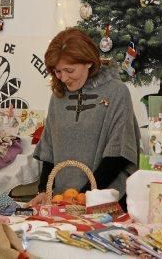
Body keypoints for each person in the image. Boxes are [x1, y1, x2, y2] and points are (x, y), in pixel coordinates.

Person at [28, 27, 140, 210]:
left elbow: (119, 154)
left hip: (104, 202)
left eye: (69, 70)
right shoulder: (58, 96)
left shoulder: (117, 92)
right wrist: (43, 190)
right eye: (57, 71)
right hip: (62, 202)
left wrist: (86, 195)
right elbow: (49, 149)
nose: (63, 78)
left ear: (88, 62)